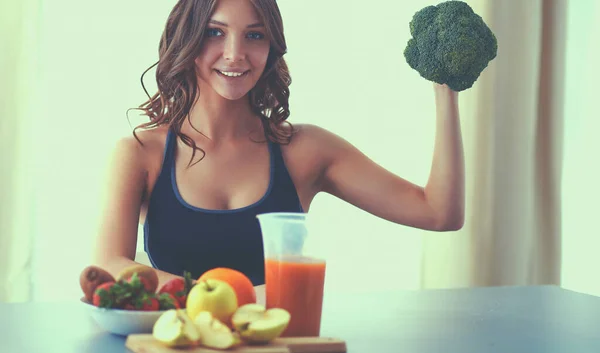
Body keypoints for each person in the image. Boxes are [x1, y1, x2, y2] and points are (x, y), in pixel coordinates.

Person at [93, 0, 465, 295]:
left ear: (272, 49)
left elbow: (438, 213)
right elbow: (108, 262)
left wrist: (445, 89)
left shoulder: (305, 150)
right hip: (174, 343)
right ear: (186, 40)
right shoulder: (140, 153)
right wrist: (222, 296)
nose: (235, 53)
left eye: (255, 36)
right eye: (214, 32)